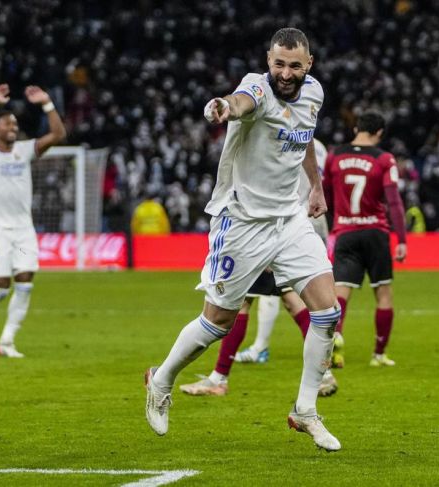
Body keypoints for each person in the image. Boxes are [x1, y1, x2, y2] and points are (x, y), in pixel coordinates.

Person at [145, 28, 342, 451]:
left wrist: (316, 186)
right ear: (268, 60)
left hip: (289, 220)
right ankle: (161, 380)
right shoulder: (257, 88)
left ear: (309, 65)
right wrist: (222, 107)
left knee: (327, 312)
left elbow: (305, 134)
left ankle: (305, 410)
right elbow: (239, 103)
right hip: (241, 223)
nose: (285, 73)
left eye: (294, 66)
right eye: (278, 64)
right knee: (217, 323)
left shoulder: (314, 92)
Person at [0, 84, 66, 358]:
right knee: (1, 286)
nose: (13, 126)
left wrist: (47, 103)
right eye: (7, 123)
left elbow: (58, 134)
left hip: (23, 229)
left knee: (25, 282)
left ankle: (7, 341)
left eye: (15, 123)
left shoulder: (24, 149)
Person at [322, 111, 407, 369]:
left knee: (340, 294)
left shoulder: (334, 155)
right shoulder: (384, 159)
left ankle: (335, 339)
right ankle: (379, 354)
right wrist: (402, 239)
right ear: (379, 132)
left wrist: (333, 227)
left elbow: (325, 196)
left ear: (356, 128)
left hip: (345, 233)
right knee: (383, 294)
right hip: (375, 233)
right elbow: (394, 201)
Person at [235, 139, 330, 364]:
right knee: (298, 294)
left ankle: (250, 354)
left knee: (259, 293)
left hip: (286, 221)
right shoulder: (320, 148)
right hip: (315, 220)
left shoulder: (281, 137)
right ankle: (324, 352)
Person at [178, 271, 340, 398]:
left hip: (260, 248)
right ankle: (324, 374)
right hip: (284, 248)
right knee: (293, 302)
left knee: (241, 303)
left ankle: (218, 379)